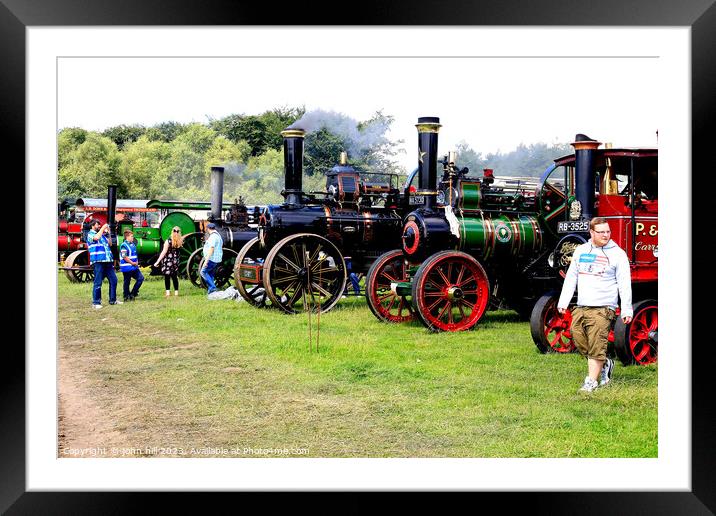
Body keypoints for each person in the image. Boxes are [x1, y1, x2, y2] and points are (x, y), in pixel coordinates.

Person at [557, 217, 633, 393]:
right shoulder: (581, 251)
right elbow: (571, 278)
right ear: (591, 233)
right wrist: (563, 301)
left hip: (604, 307)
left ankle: (591, 382)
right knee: (577, 337)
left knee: (597, 344)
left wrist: (626, 309)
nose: (606, 235)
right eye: (601, 232)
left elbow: (624, 283)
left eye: (608, 231)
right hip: (582, 305)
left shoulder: (617, 254)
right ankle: (605, 363)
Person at [87, 219, 121, 309]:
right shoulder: (90, 234)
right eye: (97, 225)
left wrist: (109, 233)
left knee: (114, 280)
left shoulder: (102, 236)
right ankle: (96, 302)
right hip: (98, 262)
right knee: (98, 282)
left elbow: (110, 244)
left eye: (99, 225)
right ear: (92, 226)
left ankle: (113, 300)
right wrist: (103, 228)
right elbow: (96, 238)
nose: (99, 226)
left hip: (108, 261)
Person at [154, 226, 183, 297]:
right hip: (175, 262)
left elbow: (164, 252)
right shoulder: (180, 241)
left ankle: (168, 293)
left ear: (172, 232)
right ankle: (176, 293)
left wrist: (157, 262)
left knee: (167, 277)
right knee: (174, 277)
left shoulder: (168, 241)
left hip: (168, 261)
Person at [119, 230, 144, 301]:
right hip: (127, 267)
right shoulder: (123, 245)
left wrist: (136, 262)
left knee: (140, 278)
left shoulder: (132, 244)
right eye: (131, 236)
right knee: (127, 282)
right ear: (127, 237)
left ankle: (133, 293)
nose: (133, 237)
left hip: (134, 267)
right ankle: (126, 296)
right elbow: (124, 256)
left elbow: (135, 255)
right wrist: (132, 263)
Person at [200, 222, 223, 295]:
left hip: (211, 259)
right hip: (216, 259)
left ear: (208, 229)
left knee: (203, 272)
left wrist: (206, 260)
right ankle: (211, 291)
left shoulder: (213, 237)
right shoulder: (218, 236)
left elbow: (211, 248)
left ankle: (213, 288)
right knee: (210, 274)